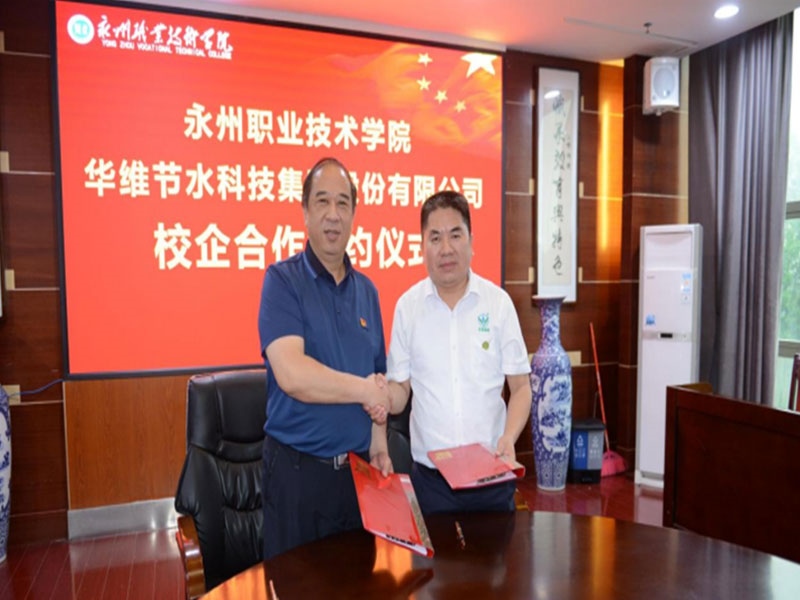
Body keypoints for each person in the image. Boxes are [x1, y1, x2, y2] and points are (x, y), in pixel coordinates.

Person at [258, 156, 392, 559]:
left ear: (353, 214)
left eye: (343, 203)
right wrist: (364, 390)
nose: (333, 214)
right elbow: (292, 375)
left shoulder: (367, 291)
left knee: (358, 581)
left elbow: (378, 375)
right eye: (322, 201)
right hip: (298, 477)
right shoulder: (282, 281)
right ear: (305, 212)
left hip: (357, 477)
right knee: (295, 584)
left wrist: (379, 444)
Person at [383, 190, 531, 514]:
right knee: (437, 551)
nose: (446, 249)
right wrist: (378, 396)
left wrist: (509, 437)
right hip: (431, 484)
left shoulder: (498, 304)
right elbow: (400, 390)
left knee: (497, 549)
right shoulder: (408, 308)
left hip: (493, 476)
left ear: (471, 240)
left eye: (455, 235)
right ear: (422, 246)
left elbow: (521, 388)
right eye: (435, 238)